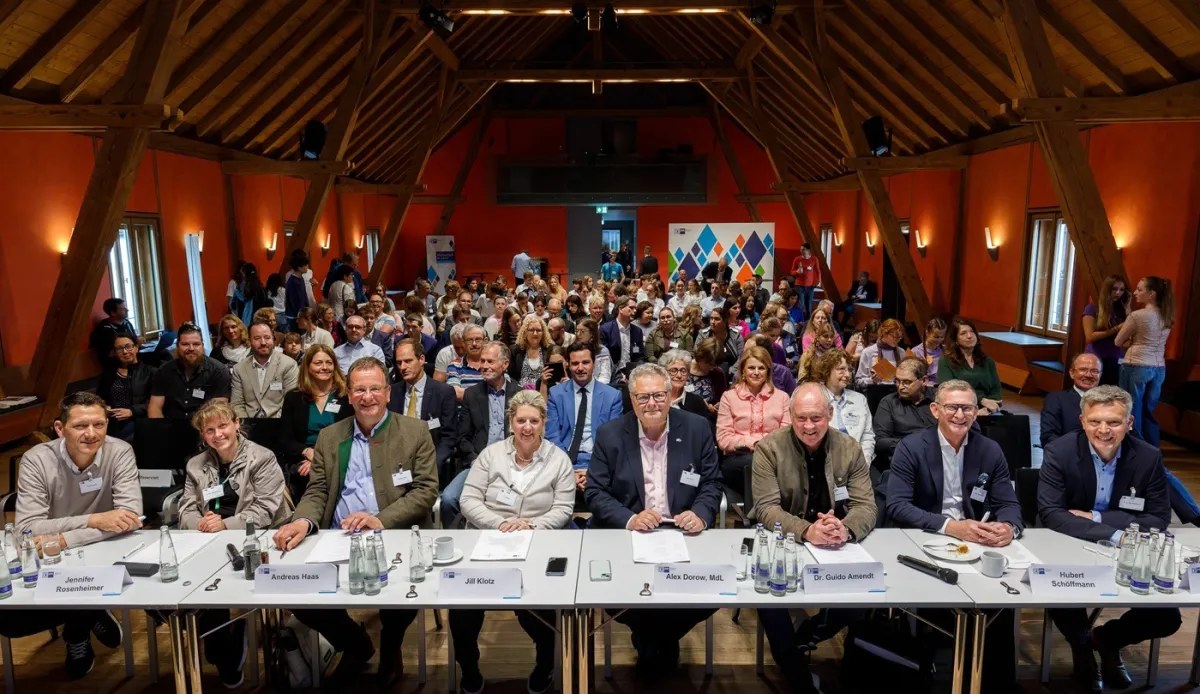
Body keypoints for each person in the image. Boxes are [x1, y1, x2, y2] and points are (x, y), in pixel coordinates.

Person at [271, 357, 438, 686]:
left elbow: (426, 490)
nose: (367, 397)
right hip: (338, 536)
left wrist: (379, 519)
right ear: (348, 395)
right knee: (295, 591)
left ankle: (390, 646)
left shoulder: (414, 432)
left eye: (375, 389)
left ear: (387, 393)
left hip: (394, 534)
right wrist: (302, 521)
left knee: (401, 592)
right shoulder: (330, 437)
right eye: (359, 390)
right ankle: (355, 643)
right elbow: (318, 489)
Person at [1039, 385, 1181, 692]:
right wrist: (1117, 533)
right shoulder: (1059, 451)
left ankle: (1106, 639)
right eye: (1095, 421)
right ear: (1082, 421)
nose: (1103, 430)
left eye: (1114, 422)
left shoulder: (1148, 457)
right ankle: (1081, 649)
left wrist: (1098, 518)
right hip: (1069, 542)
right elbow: (1051, 513)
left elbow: (1159, 518)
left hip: (1129, 547)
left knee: (1167, 618)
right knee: (1062, 589)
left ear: (1129, 423)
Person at [584, 363, 721, 678]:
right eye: (643, 397)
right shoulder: (610, 434)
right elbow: (595, 492)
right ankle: (660, 643)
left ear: (671, 394)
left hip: (684, 534)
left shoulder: (697, 428)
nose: (652, 404)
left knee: (714, 589)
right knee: (620, 594)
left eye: (659, 395)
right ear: (632, 399)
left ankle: (653, 641)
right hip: (631, 536)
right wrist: (630, 518)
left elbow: (712, 482)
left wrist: (701, 514)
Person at [887, 379, 1021, 692]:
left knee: (1001, 600)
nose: (960, 415)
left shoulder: (989, 450)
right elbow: (897, 505)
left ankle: (995, 683)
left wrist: (1009, 528)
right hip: (926, 540)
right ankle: (938, 674)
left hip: (977, 542)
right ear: (935, 410)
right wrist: (951, 526)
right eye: (952, 407)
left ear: (976, 412)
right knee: (943, 605)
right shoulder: (912, 447)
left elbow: (1009, 503)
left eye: (967, 408)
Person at [752, 383, 878, 694]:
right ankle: (798, 677)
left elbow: (866, 506)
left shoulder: (849, 448)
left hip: (837, 542)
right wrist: (807, 531)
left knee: (867, 593)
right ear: (790, 416)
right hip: (785, 540)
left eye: (817, 418)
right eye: (801, 418)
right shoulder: (769, 448)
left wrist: (845, 529)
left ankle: (807, 636)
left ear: (830, 414)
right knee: (768, 599)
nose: (809, 426)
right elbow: (766, 508)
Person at [7, 393, 139, 679]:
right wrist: (93, 519)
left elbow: (130, 517)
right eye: (80, 426)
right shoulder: (36, 460)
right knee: (11, 621)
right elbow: (27, 529)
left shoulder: (120, 452)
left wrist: (64, 539)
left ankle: (77, 632)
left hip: (103, 545)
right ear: (59, 428)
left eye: (99, 424)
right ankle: (91, 612)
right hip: (53, 552)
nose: (91, 434)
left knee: (106, 582)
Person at [451, 389, 574, 693]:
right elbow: (468, 500)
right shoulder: (490, 455)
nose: (527, 427)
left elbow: (563, 508)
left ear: (543, 422)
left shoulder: (559, 460)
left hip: (537, 545)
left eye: (534, 421)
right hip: (487, 540)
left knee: (538, 612)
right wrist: (501, 523)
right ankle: (469, 670)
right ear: (511, 422)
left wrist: (531, 525)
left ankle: (545, 665)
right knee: (462, 611)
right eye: (521, 421)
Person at [178, 400, 289, 687]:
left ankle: (223, 654)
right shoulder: (196, 465)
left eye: (223, 426)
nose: (218, 435)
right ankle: (226, 651)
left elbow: (265, 510)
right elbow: (186, 508)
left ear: (237, 424)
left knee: (213, 589)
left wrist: (225, 525)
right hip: (210, 539)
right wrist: (200, 524)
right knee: (198, 590)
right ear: (203, 435)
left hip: (258, 538)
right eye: (209, 430)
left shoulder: (261, 457)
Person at [443, 342, 522, 523]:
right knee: (448, 499)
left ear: (505, 365)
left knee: (511, 503)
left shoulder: (519, 394)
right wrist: (475, 461)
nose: (484, 366)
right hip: (478, 462)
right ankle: (460, 537)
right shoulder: (472, 394)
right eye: (483, 361)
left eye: (490, 362)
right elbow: (463, 437)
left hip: (512, 464)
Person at [545, 341, 623, 493]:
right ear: (568, 365)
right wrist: (568, 470)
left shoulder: (612, 396)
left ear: (594, 364)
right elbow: (552, 436)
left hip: (599, 461)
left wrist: (592, 471)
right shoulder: (556, 393)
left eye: (585, 362)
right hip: (564, 459)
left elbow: (613, 440)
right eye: (575, 363)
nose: (580, 368)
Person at [716, 345, 791, 496]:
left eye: (761, 368)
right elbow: (723, 439)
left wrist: (760, 445)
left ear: (768, 371)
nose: (756, 372)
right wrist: (755, 443)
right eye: (751, 368)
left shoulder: (782, 397)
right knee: (754, 462)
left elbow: (786, 436)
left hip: (775, 457)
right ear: (743, 370)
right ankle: (764, 506)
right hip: (738, 459)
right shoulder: (729, 397)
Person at [279, 344, 351, 499]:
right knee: (305, 475)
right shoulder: (294, 398)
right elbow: (286, 440)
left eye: (329, 363)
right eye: (318, 363)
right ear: (307, 366)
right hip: (304, 459)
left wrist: (319, 459)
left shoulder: (346, 396)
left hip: (339, 457)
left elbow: (350, 436)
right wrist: (307, 452)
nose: (324, 367)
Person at [387, 338, 458, 485]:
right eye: (399, 362)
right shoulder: (391, 392)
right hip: (397, 462)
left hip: (430, 460)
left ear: (421, 359)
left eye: (408, 361)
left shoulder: (443, 392)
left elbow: (448, 437)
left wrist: (431, 465)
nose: (403, 367)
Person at [1115, 275, 1174, 446]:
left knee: (1131, 410)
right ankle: (1152, 450)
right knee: (1148, 410)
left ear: (1151, 294)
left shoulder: (1137, 316)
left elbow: (1118, 341)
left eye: (1139, 289)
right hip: (1159, 368)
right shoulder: (1168, 315)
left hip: (1136, 364)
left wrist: (1131, 341)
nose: (1135, 292)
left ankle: (1134, 449)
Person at [149, 322, 232, 419]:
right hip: (170, 425)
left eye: (196, 344)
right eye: (185, 344)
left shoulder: (218, 371)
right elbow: (155, 408)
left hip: (204, 425)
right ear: (177, 346)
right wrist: (158, 427)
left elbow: (219, 411)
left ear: (202, 345)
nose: (191, 348)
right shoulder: (163, 371)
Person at [873, 357, 936, 466]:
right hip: (904, 458)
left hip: (938, 454)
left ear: (924, 381)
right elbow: (880, 441)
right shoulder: (889, 402)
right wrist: (910, 445)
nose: (900, 387)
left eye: (907, 382)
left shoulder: (938, 399)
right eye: (897, 381)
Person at [231, 321, 299, 419]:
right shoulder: (239, 369)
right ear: (249, 341)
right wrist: (246, 424)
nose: (263, 342)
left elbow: (292, 402)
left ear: (273, 339)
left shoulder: (289, 365)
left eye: (267, 338)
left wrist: (273, 424)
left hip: (280, 422)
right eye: (257, 338)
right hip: (249, 423)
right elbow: (237, 404)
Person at [96, 332, 156, 441]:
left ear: (136, 348)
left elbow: (157, 402)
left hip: (140, 420)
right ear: (115, 352)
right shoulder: (108, 373)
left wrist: (132, 411)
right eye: (119, 349)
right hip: (112, 421)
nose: (124, 352)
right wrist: (104, 407)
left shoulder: (150, 372)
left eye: (128, 347)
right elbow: (100, 397)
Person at [937, 317, 1003, 413]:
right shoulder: (946, 361)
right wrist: (981, 401)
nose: (969, 336)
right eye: (963, 333)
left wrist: (987, 409)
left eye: (972, 332)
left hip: (987, 409)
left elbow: (996, 391)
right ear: (955, 339)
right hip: (959, 408)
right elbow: (948, 390)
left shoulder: (988, 361)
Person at [1040, 353, 1103, 447]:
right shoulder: (1056, 400)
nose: (1088, 375)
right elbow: (1048, 437)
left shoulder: (1110, 402)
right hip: (1069, 453)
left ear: (1100, 375)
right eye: (1083, 369)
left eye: (1094, 371)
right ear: (1072, 373)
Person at [1082, 274, 1130, 386]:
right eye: (1114, 289)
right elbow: (1089, 336)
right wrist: (1115, 329)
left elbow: (1129, 333)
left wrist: (1128, 308)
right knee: (1092, 391)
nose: (1118, 293)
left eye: (1121, 290)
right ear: (1107, 289)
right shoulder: (1093, 308)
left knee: (1110, 393)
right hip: (1096, 357)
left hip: (1116, 358)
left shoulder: (1121, 310)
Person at [599, 295, 645, 379]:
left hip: (632, 374)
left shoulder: (637, 331)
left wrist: (637, 371)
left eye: (635, 308)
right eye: (631, 308)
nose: (635, 311)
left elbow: (640, 356)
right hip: (611, 374)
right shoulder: (605, 330)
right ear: (620, 309)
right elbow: (603, 358)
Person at [660, 349, 713, 422]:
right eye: (673, 370)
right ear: (663, 373)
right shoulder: (656, 399)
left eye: (683, 370)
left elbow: (703, 427)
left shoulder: (698, 402)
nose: (679, 375)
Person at [89, 297, 141, 367]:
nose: (127, 310)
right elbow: (109, 353)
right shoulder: (104, 329)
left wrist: (138, 341)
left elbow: (134, 339)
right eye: (123, 309)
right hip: (116, 364)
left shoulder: (127, 323)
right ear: (113, 313)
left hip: (132, 359)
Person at [854, 318, 905, 387]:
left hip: (896, 391)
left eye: (900, 337)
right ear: (884, 333)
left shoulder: (901, 352)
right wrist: (872, 380)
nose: (897, 340)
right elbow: (858, 381)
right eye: (894, 336)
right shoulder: (868, 352)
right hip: (875, 391)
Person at [443, 324, 488, 400]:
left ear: (485, 341)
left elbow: (504, 388)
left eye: (478, 339)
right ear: (463, 343)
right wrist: (488, 396)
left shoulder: (495, 364)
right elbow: (455, 393)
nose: (474, 344)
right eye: (469, 340)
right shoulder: (454, 366)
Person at [687, 337, 727, 417]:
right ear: (700, 357)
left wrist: (716, 407)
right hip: (685, 413)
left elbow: (722, 399)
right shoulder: (684, 369)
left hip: (707, 417)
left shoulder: (717, 373)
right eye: (709, 364)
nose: (712, 368)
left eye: (715, 365)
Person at [510, 315, 552, 389]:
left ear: (543, 333)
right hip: (520, 391)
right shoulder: (514, 350)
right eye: (531, 330)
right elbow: (511, 376)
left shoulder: (549, 350)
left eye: (538, 330)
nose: (535, 333)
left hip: (542, 391)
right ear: (525, 332)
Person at [699, 305, 744, 374]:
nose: (713, 322)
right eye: (711, 318)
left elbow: (741, 357)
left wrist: (731, 371)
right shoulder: (703, 335)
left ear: (725, 320)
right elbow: (698, 356)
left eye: (717, 319)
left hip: (731, 374)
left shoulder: (735, 335)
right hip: (707, 372)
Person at [573, 318, 612, 385]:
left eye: (582, 331)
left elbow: (605, 378)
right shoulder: (573, 350)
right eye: (577, 331)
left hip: (597, 387)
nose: (578, 334)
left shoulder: (602, 351)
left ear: (592, 334)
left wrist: (589, 387)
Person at [910, 317, 947, 386]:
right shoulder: (915, 352)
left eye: (942, 337)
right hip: (925, 387)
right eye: (936, 337)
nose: (939, 340)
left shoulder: (945, 350)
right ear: (927, 332)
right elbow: (910, 374)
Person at [790, 243, 819, 316]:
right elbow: (792, 272)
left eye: (803, 250)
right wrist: (797, 271)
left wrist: (818, 281)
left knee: (809, 307)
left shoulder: (814, 259)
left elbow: (818, 271)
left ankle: (808, 321)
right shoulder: (797, 259)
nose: (801, 251)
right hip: (799, 285)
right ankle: (800, 320)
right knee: (801, 305)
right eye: (800, 249)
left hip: (810, 287)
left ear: (808, 250)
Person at [284, 253, 312, 325]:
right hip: (294, 317)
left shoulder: (301, 278)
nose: (307, 267)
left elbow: (304, 297)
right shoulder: (293, 282)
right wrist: (301, 315)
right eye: (305, 265)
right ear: (299, 267)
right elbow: (294, 301)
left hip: (301, 314)